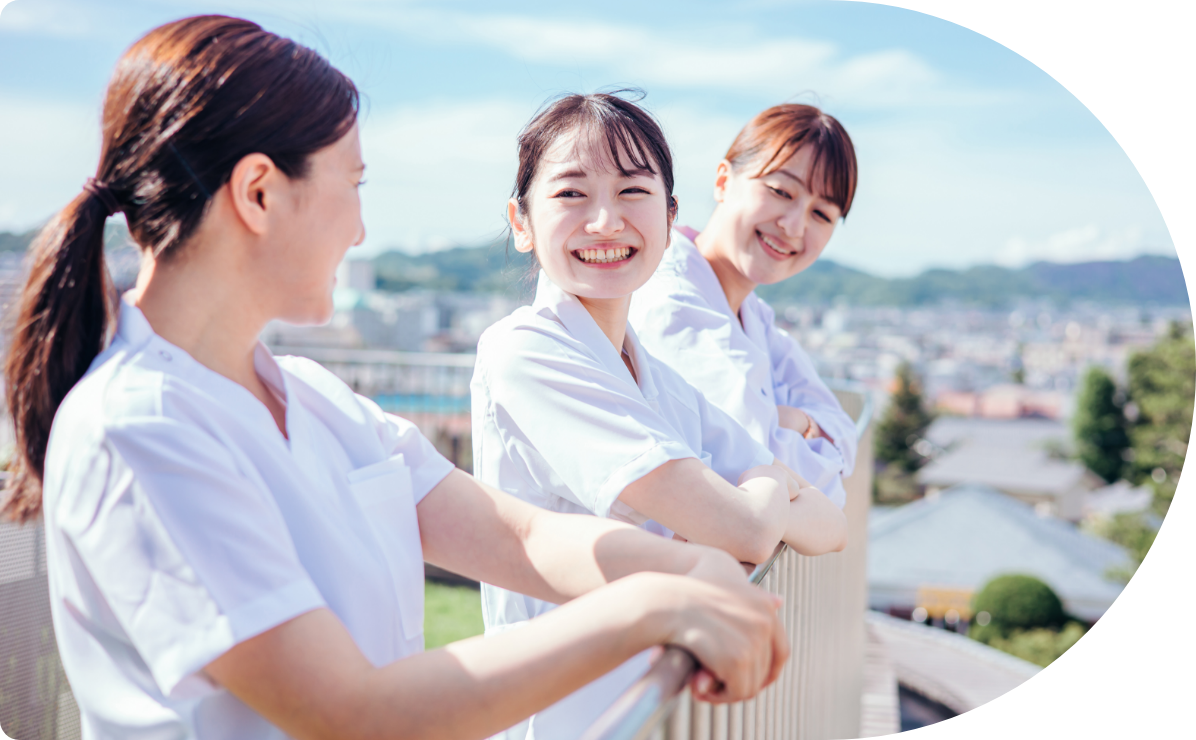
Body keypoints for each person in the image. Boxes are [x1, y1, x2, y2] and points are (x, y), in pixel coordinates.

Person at [0, 18, 790, 739]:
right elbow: (348, 710)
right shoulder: (137, 427)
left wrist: (693, 571)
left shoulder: (314, 399)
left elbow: (521, 537)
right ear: (259, 193)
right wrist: (653, 606)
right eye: (353, 185)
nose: (361, 228)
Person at [472, 93, 847, 740]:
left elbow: (832, 526)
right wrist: (771, 478)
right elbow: (744, 530)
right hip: (570, 716)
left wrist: (757, 496)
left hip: (649, 702)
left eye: (633, 192)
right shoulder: (527, 351)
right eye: (571, 194)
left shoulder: (660, 382)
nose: (605, 221)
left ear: (671, 218)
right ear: (521, 221)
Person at [629, 104, 860, 509]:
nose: (794, 226)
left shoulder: (751, 312)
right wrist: (800, 424)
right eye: (781, 192)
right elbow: (774, 470)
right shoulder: (672, 303)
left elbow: (843, 438)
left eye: (821, 214)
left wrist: (794, 421)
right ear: (723, 181)